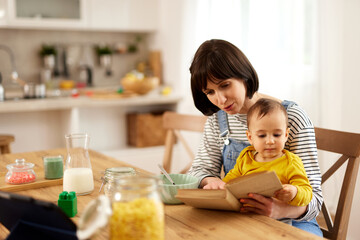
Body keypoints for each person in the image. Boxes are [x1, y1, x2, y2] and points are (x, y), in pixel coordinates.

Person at [187, 39, 323, 236]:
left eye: (225, 85)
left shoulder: (292, 117)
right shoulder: (218, 119)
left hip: (292, 221)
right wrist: (210, 181)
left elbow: (315, 200)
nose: (220, 100)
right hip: (242, 218)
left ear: (244, 75)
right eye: (210, 92)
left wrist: (279, 210)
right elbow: (199, 169)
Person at [222, 98, 312, 209]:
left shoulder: (291, 162)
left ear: (286, 135)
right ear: (250, 137)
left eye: (277, 134)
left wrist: (294, 192)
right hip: (244, 216)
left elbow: (307, 193)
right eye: (262, 135)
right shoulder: (246, 157)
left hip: (277, 220)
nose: (270, 141)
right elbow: (231, 180)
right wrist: (221, 187)